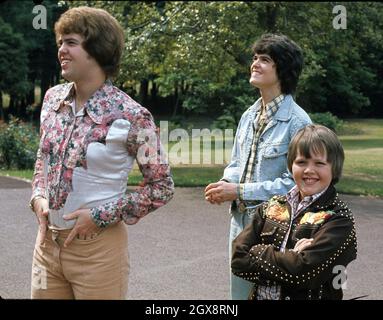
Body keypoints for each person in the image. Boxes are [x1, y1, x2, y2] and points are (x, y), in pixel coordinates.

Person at [29, 6, 174, 299]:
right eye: (60, 42)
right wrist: (38, 196)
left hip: (98, 252)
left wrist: (100, 215)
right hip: (46, 247)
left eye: (70, 42)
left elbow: (162, 187)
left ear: (97, 49)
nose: (61, 50)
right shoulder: (52, 99)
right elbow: (43, 159)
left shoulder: (134, 116)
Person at [205, 33, 312, 299]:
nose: (255, 63)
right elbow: (237, 163)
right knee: (239, 295)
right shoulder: (249, 114)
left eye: (265, 59)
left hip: (275, 227)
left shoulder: (298, 122)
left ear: (283, 69)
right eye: (254, 58)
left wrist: (240, 190)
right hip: (240, 221)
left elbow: (295, 184)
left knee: (269, 294)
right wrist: (226, 184)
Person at [231, 124, 357, 300]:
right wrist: (291, 257)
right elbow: (238, 260)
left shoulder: (339, 219)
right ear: (291, 165)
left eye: (319, 163)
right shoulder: (270, 207)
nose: (309, 170)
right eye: (301, 162)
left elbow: (303, 273)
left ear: (333, 168)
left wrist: (258, 252)